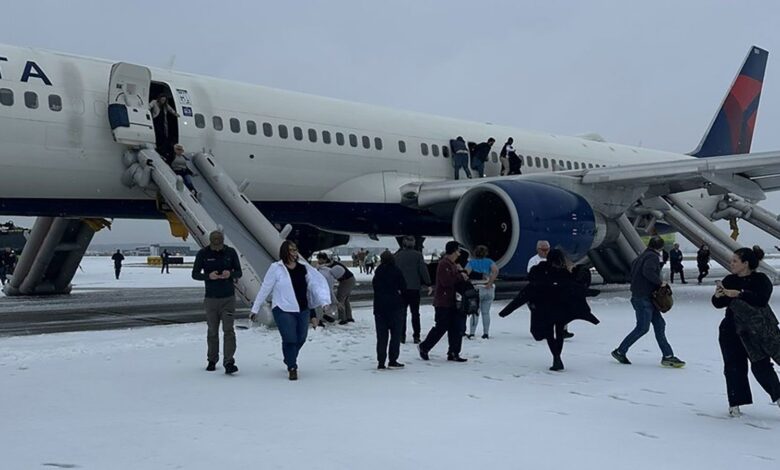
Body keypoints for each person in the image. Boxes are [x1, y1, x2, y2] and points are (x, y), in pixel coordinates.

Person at [712, 246, 780, 417]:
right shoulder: (729, 279)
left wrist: (740, 294)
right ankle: (735, 403)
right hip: (731, 329)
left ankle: (778, 396)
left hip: (754, 331)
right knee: (733, 366)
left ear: (746, 263)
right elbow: (718, 304)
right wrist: (719, 296)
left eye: (735, 261)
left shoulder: (761, 280)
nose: (731, 263)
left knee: (761, 365)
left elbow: (761, 300)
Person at [251, 241, 330, 380]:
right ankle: (292, 366)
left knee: (301, 338)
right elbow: (265, 288)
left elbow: (314, 288)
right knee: (290, 338)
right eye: (291, 250)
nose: (294, 253)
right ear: (284, 252)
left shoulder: (303, 268)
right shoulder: (276, 268)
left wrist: (324, 303)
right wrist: (255, 308)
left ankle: (289, 357)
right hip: (283, 308)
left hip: (303, 309)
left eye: (295, 250)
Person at [612, 236, 685, 368]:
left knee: (659, 325)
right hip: (644, 298)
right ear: (660, 248)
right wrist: (660, 282)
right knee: (643, 328)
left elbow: (638, 272)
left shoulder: (640, 257)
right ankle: (620, 351)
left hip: (644, 297)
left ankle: (668, 356)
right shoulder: (652, 257)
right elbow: (648, 271)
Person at [527, 249, 599, 371]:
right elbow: (574, 287)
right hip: (562, 307)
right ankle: (557, 356)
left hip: (547, 307)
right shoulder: (564, 272)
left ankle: (556, 356)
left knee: (550, 333)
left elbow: (533, 284)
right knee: (559, 331)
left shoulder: (543, 271)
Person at [191, 231, 243, 374]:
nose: (217, 247)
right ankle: (212, 359)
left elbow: (239, 272)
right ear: (210, 241)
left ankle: (229, 361)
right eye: (215, 243)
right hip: (211, 298)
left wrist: (230, 274)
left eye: (219, 243)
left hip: (228, 297)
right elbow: (195, 274)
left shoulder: (230, 252)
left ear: (222, 241)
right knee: (212, 330)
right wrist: (208, 276)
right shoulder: (203, 254)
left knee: (228, 330)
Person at [419, 241, 469, 362]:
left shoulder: (453, 264)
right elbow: (446, 281)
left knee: (456, 328)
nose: (459, 253)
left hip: (454, 301)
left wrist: (462, 272)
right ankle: (424, 346)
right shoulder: (444, 264)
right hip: (443, 302)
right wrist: (461, 276)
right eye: (458, 250)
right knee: (441, 327)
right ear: (453, 250)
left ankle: (454, 352)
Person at [528, 240, 574, 339]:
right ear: (538, 249)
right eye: (543, 249)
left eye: (547, 249)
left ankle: (563, 330)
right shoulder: (534, 261)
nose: (545, 252)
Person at [395, 236, 433, 344]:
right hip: (414, 288)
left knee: (402, 313)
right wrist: (428, 283)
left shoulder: (397, 256)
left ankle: (401, 336)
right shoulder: (417, 255)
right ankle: (416, 336)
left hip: (401, 289)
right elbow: (423, 270)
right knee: (415, 313)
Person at [372, 251, 407, 369]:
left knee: (381, 337)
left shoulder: (378, 271)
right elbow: (403, 286)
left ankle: (381, 361)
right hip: (395, 306)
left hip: (380, 308)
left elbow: (375, 287)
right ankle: (393, 359)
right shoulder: (396, 271)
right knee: (395, 335)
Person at [465, 245, 498, 339]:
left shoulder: (472, 262)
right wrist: (490, 282)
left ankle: (472, 332)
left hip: (476, 288)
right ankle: (486, 333)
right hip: (488, 288)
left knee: (475, 312)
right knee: (486, 312)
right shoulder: (489, 262)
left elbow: (466, 273)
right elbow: (495, 271)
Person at [149, 94, 179, 161]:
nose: (163, 101)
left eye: (164, 100)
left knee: (163, 136)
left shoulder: (165, 105)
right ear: (159, 99)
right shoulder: (154, 102)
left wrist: (175, 114)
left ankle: (162, 150)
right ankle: (157, 148)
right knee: (157, 134)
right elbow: (149, 106)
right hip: (156, 121)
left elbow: (170, 109)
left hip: (162, 123)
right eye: (162, 100)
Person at [327, 254, 356, 325]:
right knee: (345, 299)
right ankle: (349, 317)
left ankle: (343, 318)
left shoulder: (333, 266)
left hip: (346, 281)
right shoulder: (334, 264)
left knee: (340, 299)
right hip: (350, 280)